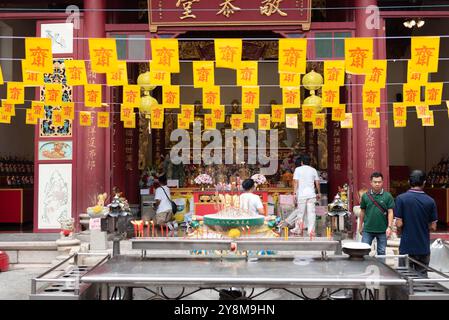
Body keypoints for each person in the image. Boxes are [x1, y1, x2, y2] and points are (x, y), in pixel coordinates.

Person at [394, 170, 438, 275]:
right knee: (422, 276)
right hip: (423, 246)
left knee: (405, 276)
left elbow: (399, 224)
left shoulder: (401, 199)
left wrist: (400, 230)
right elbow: (433, 226)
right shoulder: (430, 201)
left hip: (406, 246)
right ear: (424, 183)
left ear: (409, 182)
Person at [359, 172, 395, 255]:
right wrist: (360, 226)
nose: (377, 184)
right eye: (375, 182)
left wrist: (389, 227)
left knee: (382, 252)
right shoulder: (365, 196)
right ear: (371, 182)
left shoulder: (388, 196)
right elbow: (362, 212)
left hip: (383, 229)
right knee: (363, 251)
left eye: (379, 182)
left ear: (382, 182)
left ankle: (381, 268)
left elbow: (390, 212)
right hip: (368, 229)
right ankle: (364, 268)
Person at [292, 154, 321, 235]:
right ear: (310, 162)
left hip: (301, 195)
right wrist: (318, 193)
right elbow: (317, 182)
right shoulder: (313, 170)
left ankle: (299, 229)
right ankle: (311, 231)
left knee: (300, 213)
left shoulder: (298, 169)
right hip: (311, 194)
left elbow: (295, 182)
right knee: (311, 213)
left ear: (301, 162)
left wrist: (294, 193)